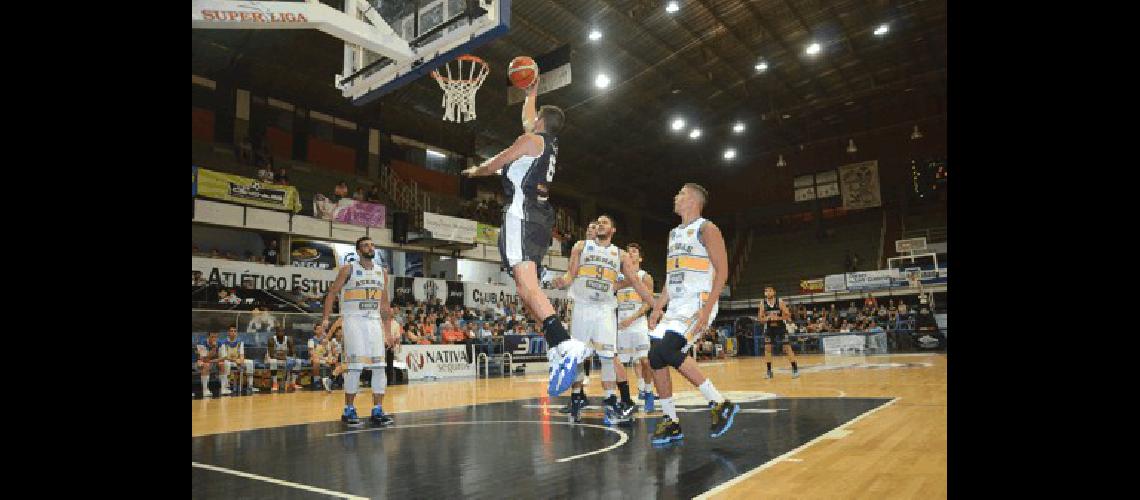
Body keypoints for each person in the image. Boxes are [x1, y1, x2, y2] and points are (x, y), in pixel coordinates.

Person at [461, 74, 591, 398]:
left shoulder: (531, 141)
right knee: (523, 287)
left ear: (541, 122)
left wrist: (475, 170)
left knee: (527, 286)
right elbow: (528, 119)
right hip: (540, 218)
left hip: (523, 214)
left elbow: (496, 163)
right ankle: (558, 347)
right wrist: (530, 93)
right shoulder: (547, 143)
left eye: (534, 118)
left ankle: (565, 345)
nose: (529, 121)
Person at [647, 183, 740, 445]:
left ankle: (719, 403)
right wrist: (657, 307)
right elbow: (671, 276)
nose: (676, 197)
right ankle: (671, 421)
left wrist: (708, 309)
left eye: (681, 194)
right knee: (654, 356)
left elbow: (722, 271)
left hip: (696, 303)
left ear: (694, 201)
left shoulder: (707, 229)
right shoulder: (674, 233)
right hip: (675, 305)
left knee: (667, 350)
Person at [321, 236, 399, 426]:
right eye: (365, 245)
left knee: (380, 367)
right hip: (353, 319)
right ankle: (349, 410)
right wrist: (325, 318)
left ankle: (377, 410)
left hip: (373, 321)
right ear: (358, 251)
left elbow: (385, 304)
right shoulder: (348, 269)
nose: (370, 247)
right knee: (355, 366)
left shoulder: (382, 272)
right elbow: (332, 292)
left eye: (372, 244)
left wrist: (388, 332)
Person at [615, 242, 657, 412]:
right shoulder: (618, 277)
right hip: (621, 326)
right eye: (628, 251)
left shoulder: (645, 276)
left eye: (633, 252)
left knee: (645, 361)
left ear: (640, 258)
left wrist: (632, 317)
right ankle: (624, 397)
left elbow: (649, 303)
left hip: (638, 323)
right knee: (620, 363)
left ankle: (648, 392)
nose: (630, 253)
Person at [220, 326, 255, 395]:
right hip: (228, 360)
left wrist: (241, 361)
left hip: (237, 360)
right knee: (226, 363)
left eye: (235, 331)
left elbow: (242, 354)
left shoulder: (240, 342)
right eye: (231, 331)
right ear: (228, 333)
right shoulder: (223, 342)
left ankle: (250, 385)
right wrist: (235, 360)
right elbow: (224, 357)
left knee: (250, 362)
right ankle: (226, 386)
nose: (233, 332)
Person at [266, 326, 298, 392]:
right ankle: (275, 383)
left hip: (284, 358)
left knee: (297, 362)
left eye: (282, 331)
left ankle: (293, 383)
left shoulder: (289, 339)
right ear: (276, 332)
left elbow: (293, 352)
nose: (280, 333)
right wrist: (284, 357)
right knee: (273, 362)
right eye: (279, 331)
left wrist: (291, 358)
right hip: (272, 358)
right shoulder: (271, 340)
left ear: (284, 332)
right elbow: (272, 355)